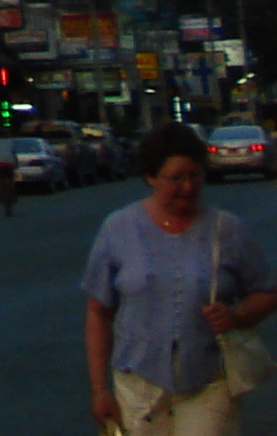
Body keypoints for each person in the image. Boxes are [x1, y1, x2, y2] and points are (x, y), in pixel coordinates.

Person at [83, 118, 277, 434]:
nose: (187, 188)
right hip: (139, 386)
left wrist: (237, 314)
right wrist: (99, 390)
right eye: (175, 178)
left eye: (194, 176)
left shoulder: (226, 229)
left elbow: (267, 293)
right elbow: (97, 312)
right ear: (150, 177)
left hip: (208, 382)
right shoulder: (118, 229)